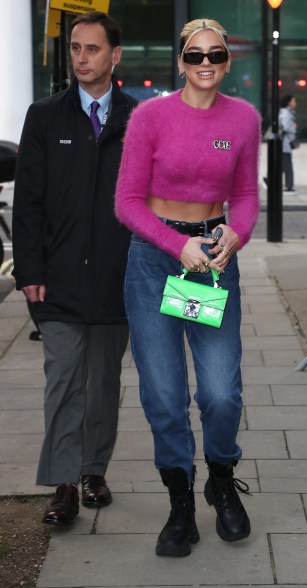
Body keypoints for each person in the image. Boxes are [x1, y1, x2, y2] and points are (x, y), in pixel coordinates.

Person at [115, 18, 260, 557]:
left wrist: (236, 233)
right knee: (164, 396)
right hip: (156, 265)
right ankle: (180, 501)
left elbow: (245, 194)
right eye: (194, 54)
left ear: (227, 62)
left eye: (215, 55)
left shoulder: (243, 118)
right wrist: (177, 247)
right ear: (180, 60)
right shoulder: (150, 115)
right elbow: (127, 203)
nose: (205, 63)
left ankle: (220, 478)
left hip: (214, 265)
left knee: (221, 393)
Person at [12, 11, 138, 526]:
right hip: (58, 277)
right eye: (76, 49)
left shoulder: (139, 118)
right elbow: (28, 204)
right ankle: (63, 483)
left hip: (117, 279)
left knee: (103, 381)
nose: (81, 58)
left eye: (92, 49)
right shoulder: (44, 116)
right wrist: (29, 271)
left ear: (114, 56)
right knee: (63, 378)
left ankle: (93, 470)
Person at [279, 94, 298, 192]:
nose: (295, 103)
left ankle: (269, 179)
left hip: (284, 144)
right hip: (285, 144)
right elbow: (286, 127)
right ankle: (289, 185)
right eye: (294, 101)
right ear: (288, 102)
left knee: (282, 165)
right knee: (288, 166)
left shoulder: (286, 112)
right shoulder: (286, 113)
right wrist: (293, 127)